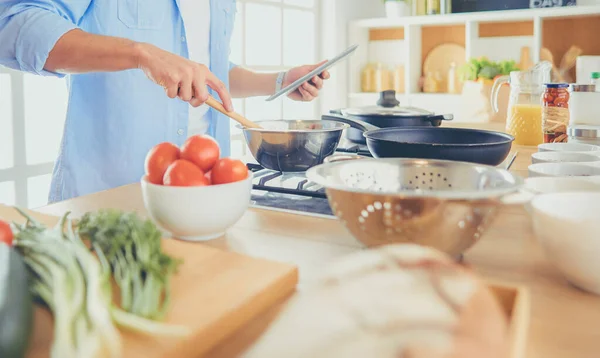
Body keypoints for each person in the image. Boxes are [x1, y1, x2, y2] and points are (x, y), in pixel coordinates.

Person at [0, 0, 330, 203]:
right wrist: (139, 53)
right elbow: (16, 23)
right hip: (108, 197)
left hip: (207, 197)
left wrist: (278, 81)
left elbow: (209, 72)